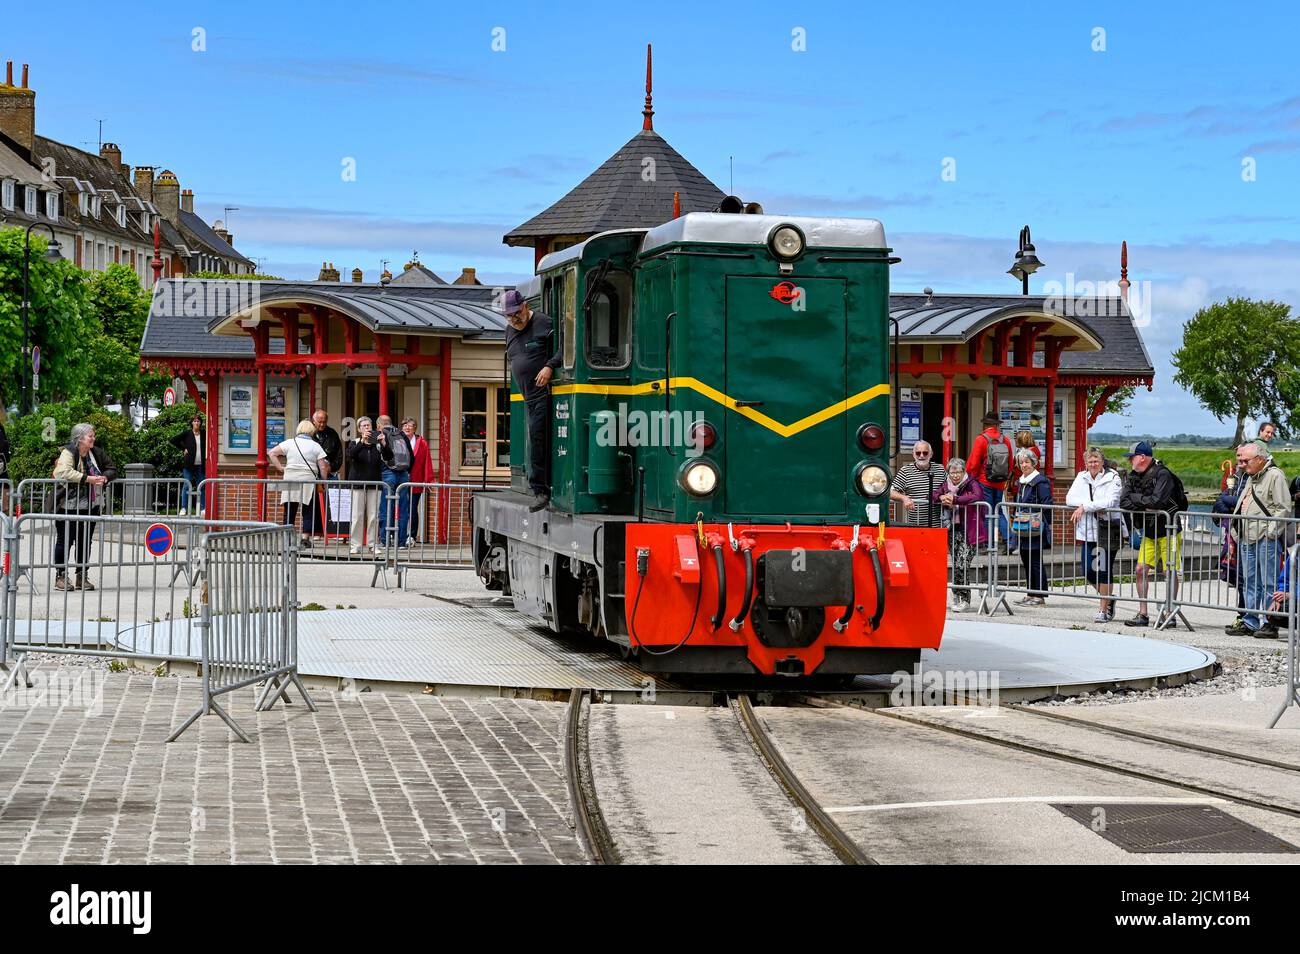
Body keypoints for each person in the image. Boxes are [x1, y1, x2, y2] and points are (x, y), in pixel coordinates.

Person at [503, 289, 561, 511]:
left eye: (516, 313)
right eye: (508, 316)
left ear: (525, 306)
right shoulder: (509, 331)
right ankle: (537, 486)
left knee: (537, 437)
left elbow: (566, 348)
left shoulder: (545, 323)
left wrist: (549, 366)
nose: (513, 319)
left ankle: (541, 490)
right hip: (527, 396)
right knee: (533, 437)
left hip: (543, 394)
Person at [1118, 441, 1185, 627]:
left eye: (1132, 457)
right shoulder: (1133, 476)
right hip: (1149, 531)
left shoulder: (1163, 474)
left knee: (1169, 571)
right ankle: (1143, 614)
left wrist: (1137, 500)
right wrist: (1143, 503)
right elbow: (1123, 501)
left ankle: (1170, 613)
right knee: (1140, 570)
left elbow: (1157, 502)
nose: (1130, 461)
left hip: (1169, 529)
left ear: (1142, 457)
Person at [1229, 441, 1289, 638]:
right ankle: (1251, 620)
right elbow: (1243, 503)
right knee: (1250, 581)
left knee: (1269, 582)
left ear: (1260, 459)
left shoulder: (1275, 476)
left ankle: (1271, 621)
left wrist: (1271, 533)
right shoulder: (1251, 477)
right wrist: (1236, 531)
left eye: (1246, 461)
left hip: (1265, 537)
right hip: (1248, 536)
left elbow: (1283, 508)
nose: (1242, 464)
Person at [51, 423, 115, 591]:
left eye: (93, 435)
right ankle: (61, 576)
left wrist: (104, 478)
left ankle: (81, 576)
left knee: (85, 541)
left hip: (90, 505)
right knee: (65, 541)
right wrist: (88, 479)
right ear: (80, 438)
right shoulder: (69, 451)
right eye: (90, 436)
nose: (93, 438)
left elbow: (111, 468)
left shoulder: (96, 452)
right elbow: (62, 472)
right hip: (68, 505)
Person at [1066, 446, 1124, 622]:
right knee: (1088, 571)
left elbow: (1111, 501)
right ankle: (1109, 599)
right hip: (1087, 531)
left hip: (1107, 530)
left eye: (1096, 461)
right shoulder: (1081, 477)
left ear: (1102, 462)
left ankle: (1103, 610)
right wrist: (1090, 505)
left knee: (1104, 569)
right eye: (1090, 461)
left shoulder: (1112, 477)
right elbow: (1070, 499)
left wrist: (1085, 507)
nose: (1093, 464)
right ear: (1085, 463)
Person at [932, 456, 986, 612]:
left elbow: (977, 496)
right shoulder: (946, 485)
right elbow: (934, 495)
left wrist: (955, 499)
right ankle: (956, 596)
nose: (955, 475)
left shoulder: (972, 483)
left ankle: (965, 598)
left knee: (963, 562)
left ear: (964, 472)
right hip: (953, 531)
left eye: (958, 472)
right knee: (956, 564)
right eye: (952, 472)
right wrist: (942, 497)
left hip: (969, 530)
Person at [269, 420, 329, 547]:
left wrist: (281, 468)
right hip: (308, 479)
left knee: (289, 509)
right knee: (308, 510)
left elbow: (272, 453)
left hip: (290, 478)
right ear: (312, 431)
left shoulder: (289, 443)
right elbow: (323, 467)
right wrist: (323, 480)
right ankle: (305, 539)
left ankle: (287, 537)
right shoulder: (315, 446)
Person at [965, 413, 1015, 550]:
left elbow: (973, 464)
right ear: (997, 425)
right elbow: (1010, 463)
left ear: (985, 424)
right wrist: (1004, 479)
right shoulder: (1005, 440)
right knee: (999, 511)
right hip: (999, 482)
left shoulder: (981, 439)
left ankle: (989, 544)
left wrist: (971, 479)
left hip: (984, 480)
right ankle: (1010, 540)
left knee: (987, 512)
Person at [1010, 448, 1053, 606]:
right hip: (1022, 527)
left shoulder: (1040, 481)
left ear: (1034, 463)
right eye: (1021, 462)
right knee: (1026, 559)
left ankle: (1039, 595)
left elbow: (1047, 504)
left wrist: (1042, 523)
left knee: (1035, 561)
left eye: (1027, 462)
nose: (1024, 465)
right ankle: (1030, 592)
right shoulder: (1021, 482)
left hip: (1034, 527)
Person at [344, 417, 384, 555]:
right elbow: (351, 456)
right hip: (358, 483)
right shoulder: (354, 443)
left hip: (375, 483)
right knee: (357, 515)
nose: (367, 428)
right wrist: (362, 441)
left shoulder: (377, 444)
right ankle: (355, 544)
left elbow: (389, 457)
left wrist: (384, 443)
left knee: (374, 516)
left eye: (369, 425)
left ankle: (372, 544)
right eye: (364, 426)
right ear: (359, 429)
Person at [375, 414, 414, 548]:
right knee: (403, 508)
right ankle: (401, 541)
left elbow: (382, 455)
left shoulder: (381, 435)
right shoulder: (401, 435)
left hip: (388, 474)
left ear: (379, 425)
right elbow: (411, 457)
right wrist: (406, 471)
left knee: (386, 507)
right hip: (403, 474)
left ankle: (385, 541)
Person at [305, 409, 343, 539]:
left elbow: (339, 454)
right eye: (319, 422)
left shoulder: (332, 434)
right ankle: (314, 531)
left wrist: (331, 467)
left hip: (329, 473)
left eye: (324, 422)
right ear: (313, 420)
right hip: (311, 473)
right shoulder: (307, 434)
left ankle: (329, 531)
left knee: (329, 503)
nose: (321, 424)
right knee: (311, 504)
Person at [889, 440, 942, 527]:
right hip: (915, 526)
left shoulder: (940, 469)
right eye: (918, 453)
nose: (921, 456)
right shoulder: (905, 471)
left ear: (931, 454)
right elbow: (890, 492)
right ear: (913, 454)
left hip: (938, 526)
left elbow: (950, 487)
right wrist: (903, 498)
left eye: (925, 453)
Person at [401, 417, 434, 545]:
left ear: (415, 428)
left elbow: (427, 462)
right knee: (399, 508)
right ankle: (399, 535)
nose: (407, 428)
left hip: (416, 480)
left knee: (412, 508)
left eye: (410, 426)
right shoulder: (398, 441)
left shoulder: (422, 443)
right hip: (400, 480)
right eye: (405, 426)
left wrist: (428, 480)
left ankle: (412, 536)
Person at [169, 414, 206, 515]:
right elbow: (173, 440)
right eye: (194, 421)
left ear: (200, 423)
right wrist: (183, 448)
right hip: (189, 465)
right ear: (191, 423)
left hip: (200, 465)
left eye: (198, 421)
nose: (196, 423)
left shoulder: (204, 433)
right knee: (186, 485)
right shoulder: (187, 433)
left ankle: (203, 508)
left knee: (202, 486)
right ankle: (183, 508)